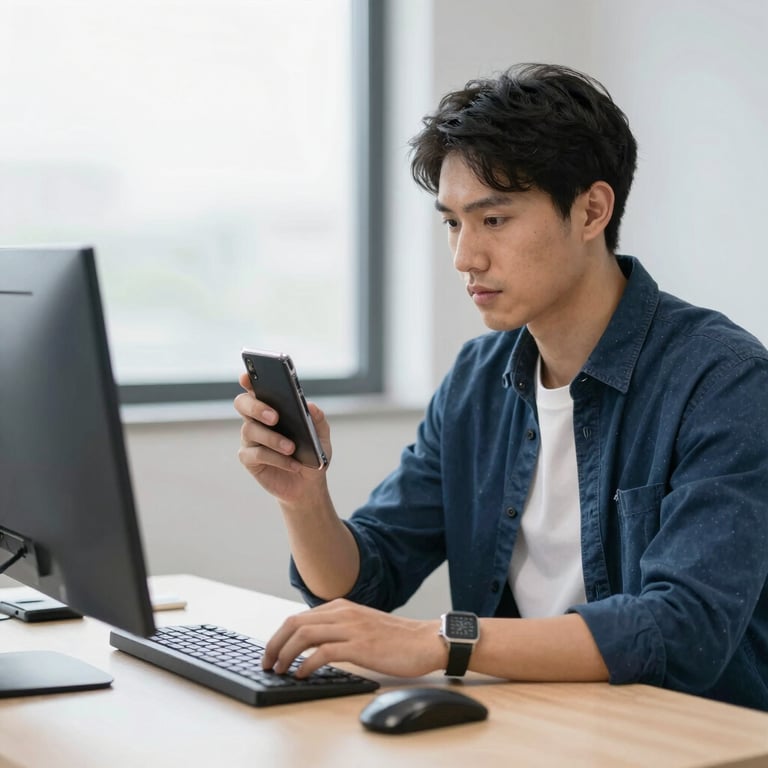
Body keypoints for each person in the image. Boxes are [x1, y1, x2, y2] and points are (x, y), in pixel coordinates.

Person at [234, 63, 768, 710]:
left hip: (683, 738)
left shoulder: (724, 380)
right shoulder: (478, 379)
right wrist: (304, 496)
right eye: (453, 223)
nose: (465, 257)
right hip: (529, 722)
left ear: (592, 210)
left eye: (494, 220)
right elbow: (364, 581)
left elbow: (683, 630)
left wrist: (444, 641)